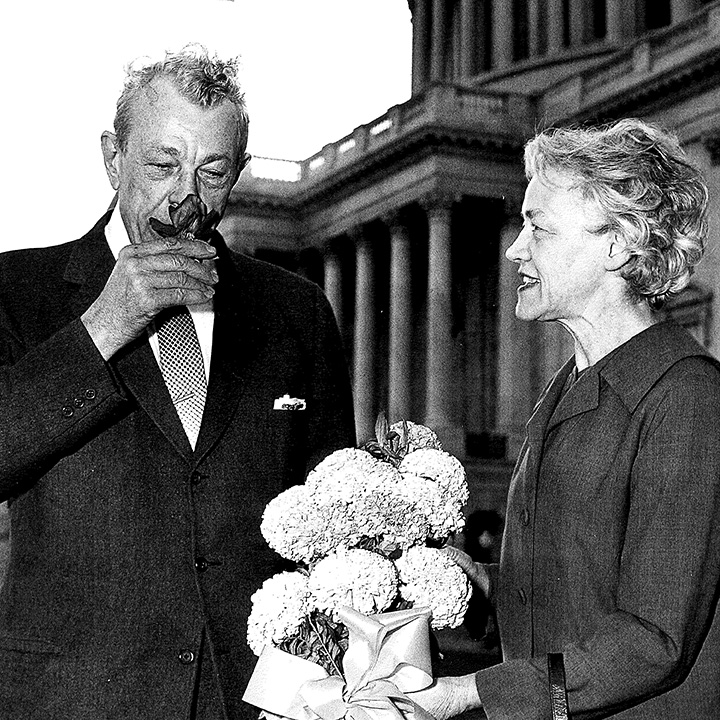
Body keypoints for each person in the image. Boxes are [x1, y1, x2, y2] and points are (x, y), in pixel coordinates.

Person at [0, 48, 355, 719]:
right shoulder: (17, 293)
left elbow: (330, 527)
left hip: (248, 704)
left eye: (212, 173)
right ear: (113, 158)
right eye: (162, 164)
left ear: (238, 175)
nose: (185, 197)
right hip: (72, 703)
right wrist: (102, 327)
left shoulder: (297, 311)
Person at [411, 119, 720, 719]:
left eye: (539, 228)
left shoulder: (688, 397)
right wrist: (478, 580)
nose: (515, 247)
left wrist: (471, 692)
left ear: (617, 245)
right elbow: (581, 582)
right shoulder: (568, 384)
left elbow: (655, 640)